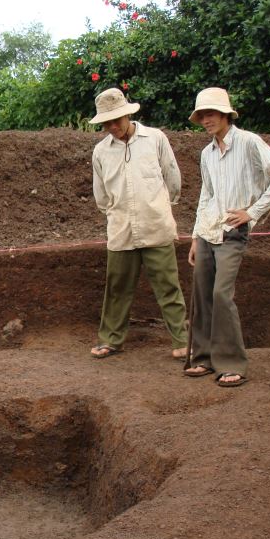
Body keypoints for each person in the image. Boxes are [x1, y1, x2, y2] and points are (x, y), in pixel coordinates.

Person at [185, 87, 270, 386]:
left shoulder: (249, 142)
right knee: (203, 292)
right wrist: (195, 236)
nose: (206, 120)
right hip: (207, 231)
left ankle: (231, 363)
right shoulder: (206, 153)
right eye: (202, 115)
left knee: (221, 293)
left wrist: (253, 212)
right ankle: (203, 358)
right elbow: (207, 194)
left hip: (233, 232)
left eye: (211, 114)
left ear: (226, 114)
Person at [88, 88, 188, 360]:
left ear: (128, 114)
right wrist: (118, 213)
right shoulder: (100, 152)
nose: (112, 127)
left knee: (168, 287)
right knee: (117, 289)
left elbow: (173, 179)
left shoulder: (155, 139)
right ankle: (111, 340)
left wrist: (159, 207)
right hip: (121, 231)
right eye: (106, 123)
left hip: (156, 226)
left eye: (116, 120)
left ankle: (182, 339)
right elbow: (101, 196)